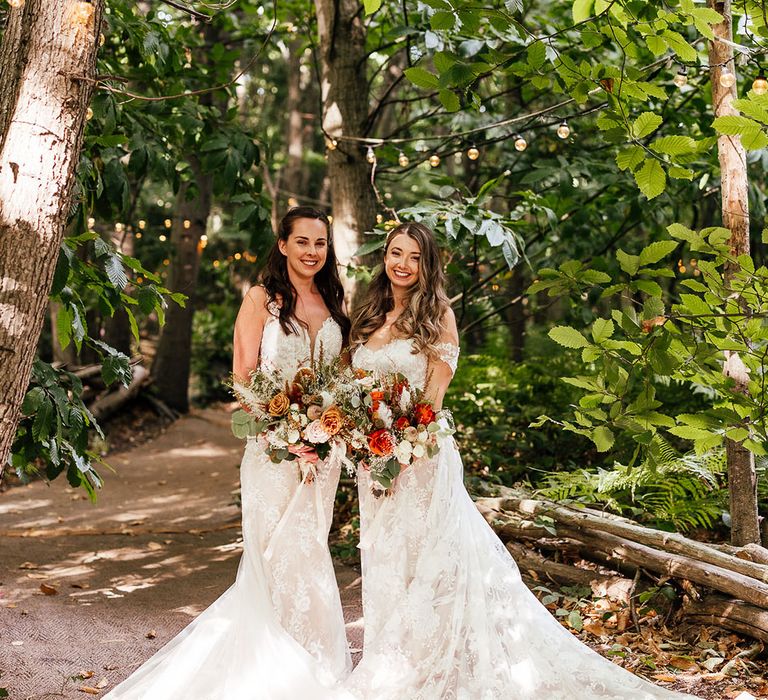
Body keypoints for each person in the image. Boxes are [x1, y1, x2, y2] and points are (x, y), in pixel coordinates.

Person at [344, 221, 697, 700]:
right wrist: (365, 443)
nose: (401, 265)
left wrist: (401, 450)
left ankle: (430, 667)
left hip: (419, 456)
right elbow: (351, 387)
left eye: (413, 257)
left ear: (428, 265)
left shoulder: (437, 316)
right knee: (386, 556)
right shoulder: (366, 312)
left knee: (428, 558)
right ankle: (392, 659)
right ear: (384, 256)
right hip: (375, 460)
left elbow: (433, 399)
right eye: (394, 253)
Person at [104, 207, 353, 700]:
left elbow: (341, 380)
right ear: (282, 245)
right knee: (273, 557)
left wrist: (326, 432)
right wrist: (286, 434)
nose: (311, 252)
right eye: (301, 241)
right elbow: (244, 378)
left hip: (325, 454)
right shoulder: (261, 299)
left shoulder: (333, 300)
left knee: (307, 556)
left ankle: (313, 665)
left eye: (320, 243)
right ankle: (271, 675)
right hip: (274, 450)